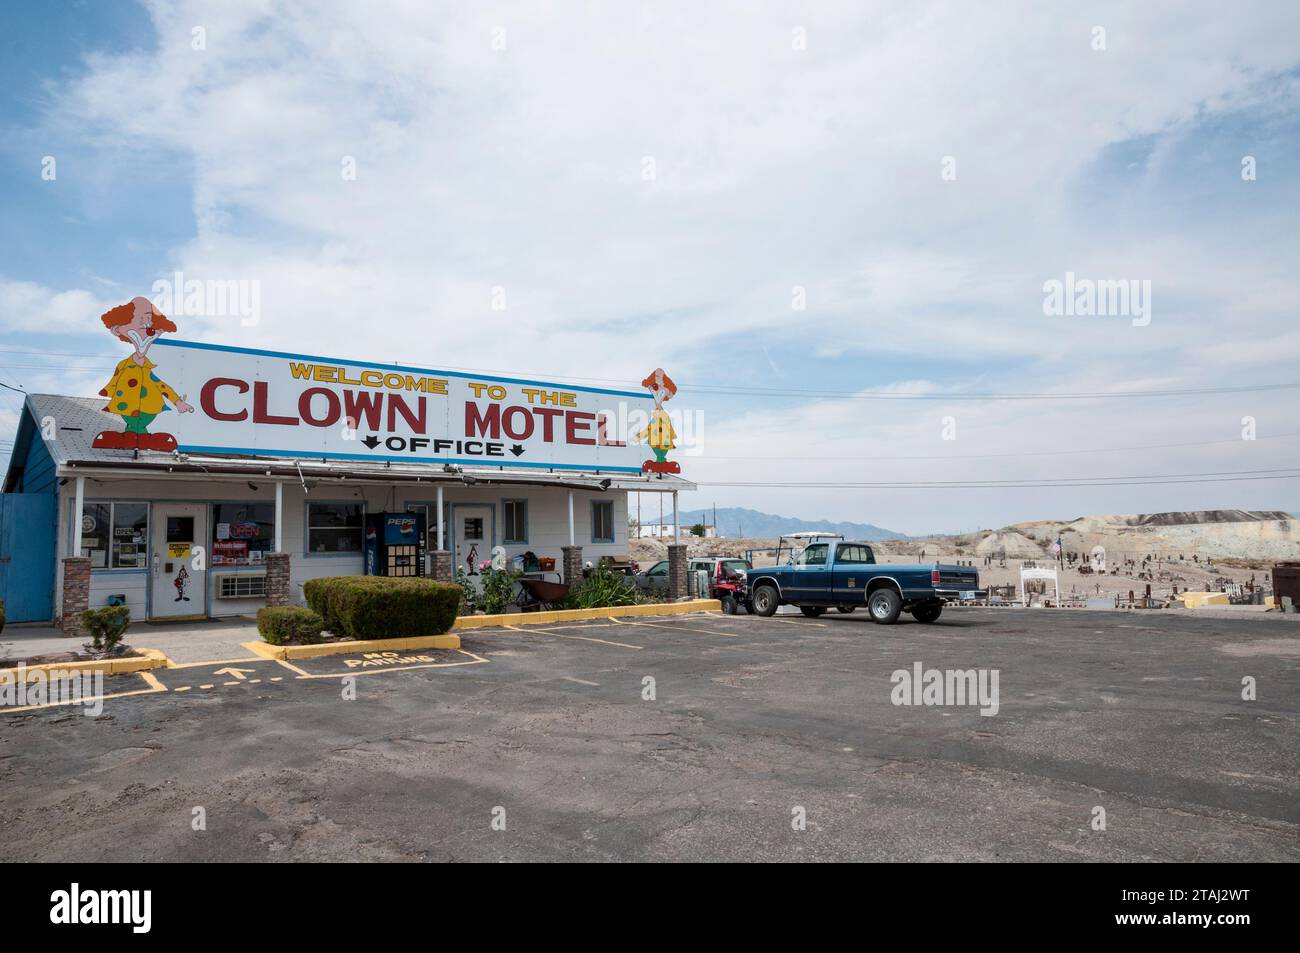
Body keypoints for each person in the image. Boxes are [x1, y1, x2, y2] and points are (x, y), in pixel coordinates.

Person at [91, 297, 193, 451]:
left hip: (149, 407)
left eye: (149, 318)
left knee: (140, 422)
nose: (146, 322)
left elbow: (160, 384)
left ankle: (142, 438)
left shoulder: (147, 368)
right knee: (133, 423)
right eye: (141, 317)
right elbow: (115, 385)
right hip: (127, 407)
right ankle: (134, 437)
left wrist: (178, 402)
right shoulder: (124, 365)